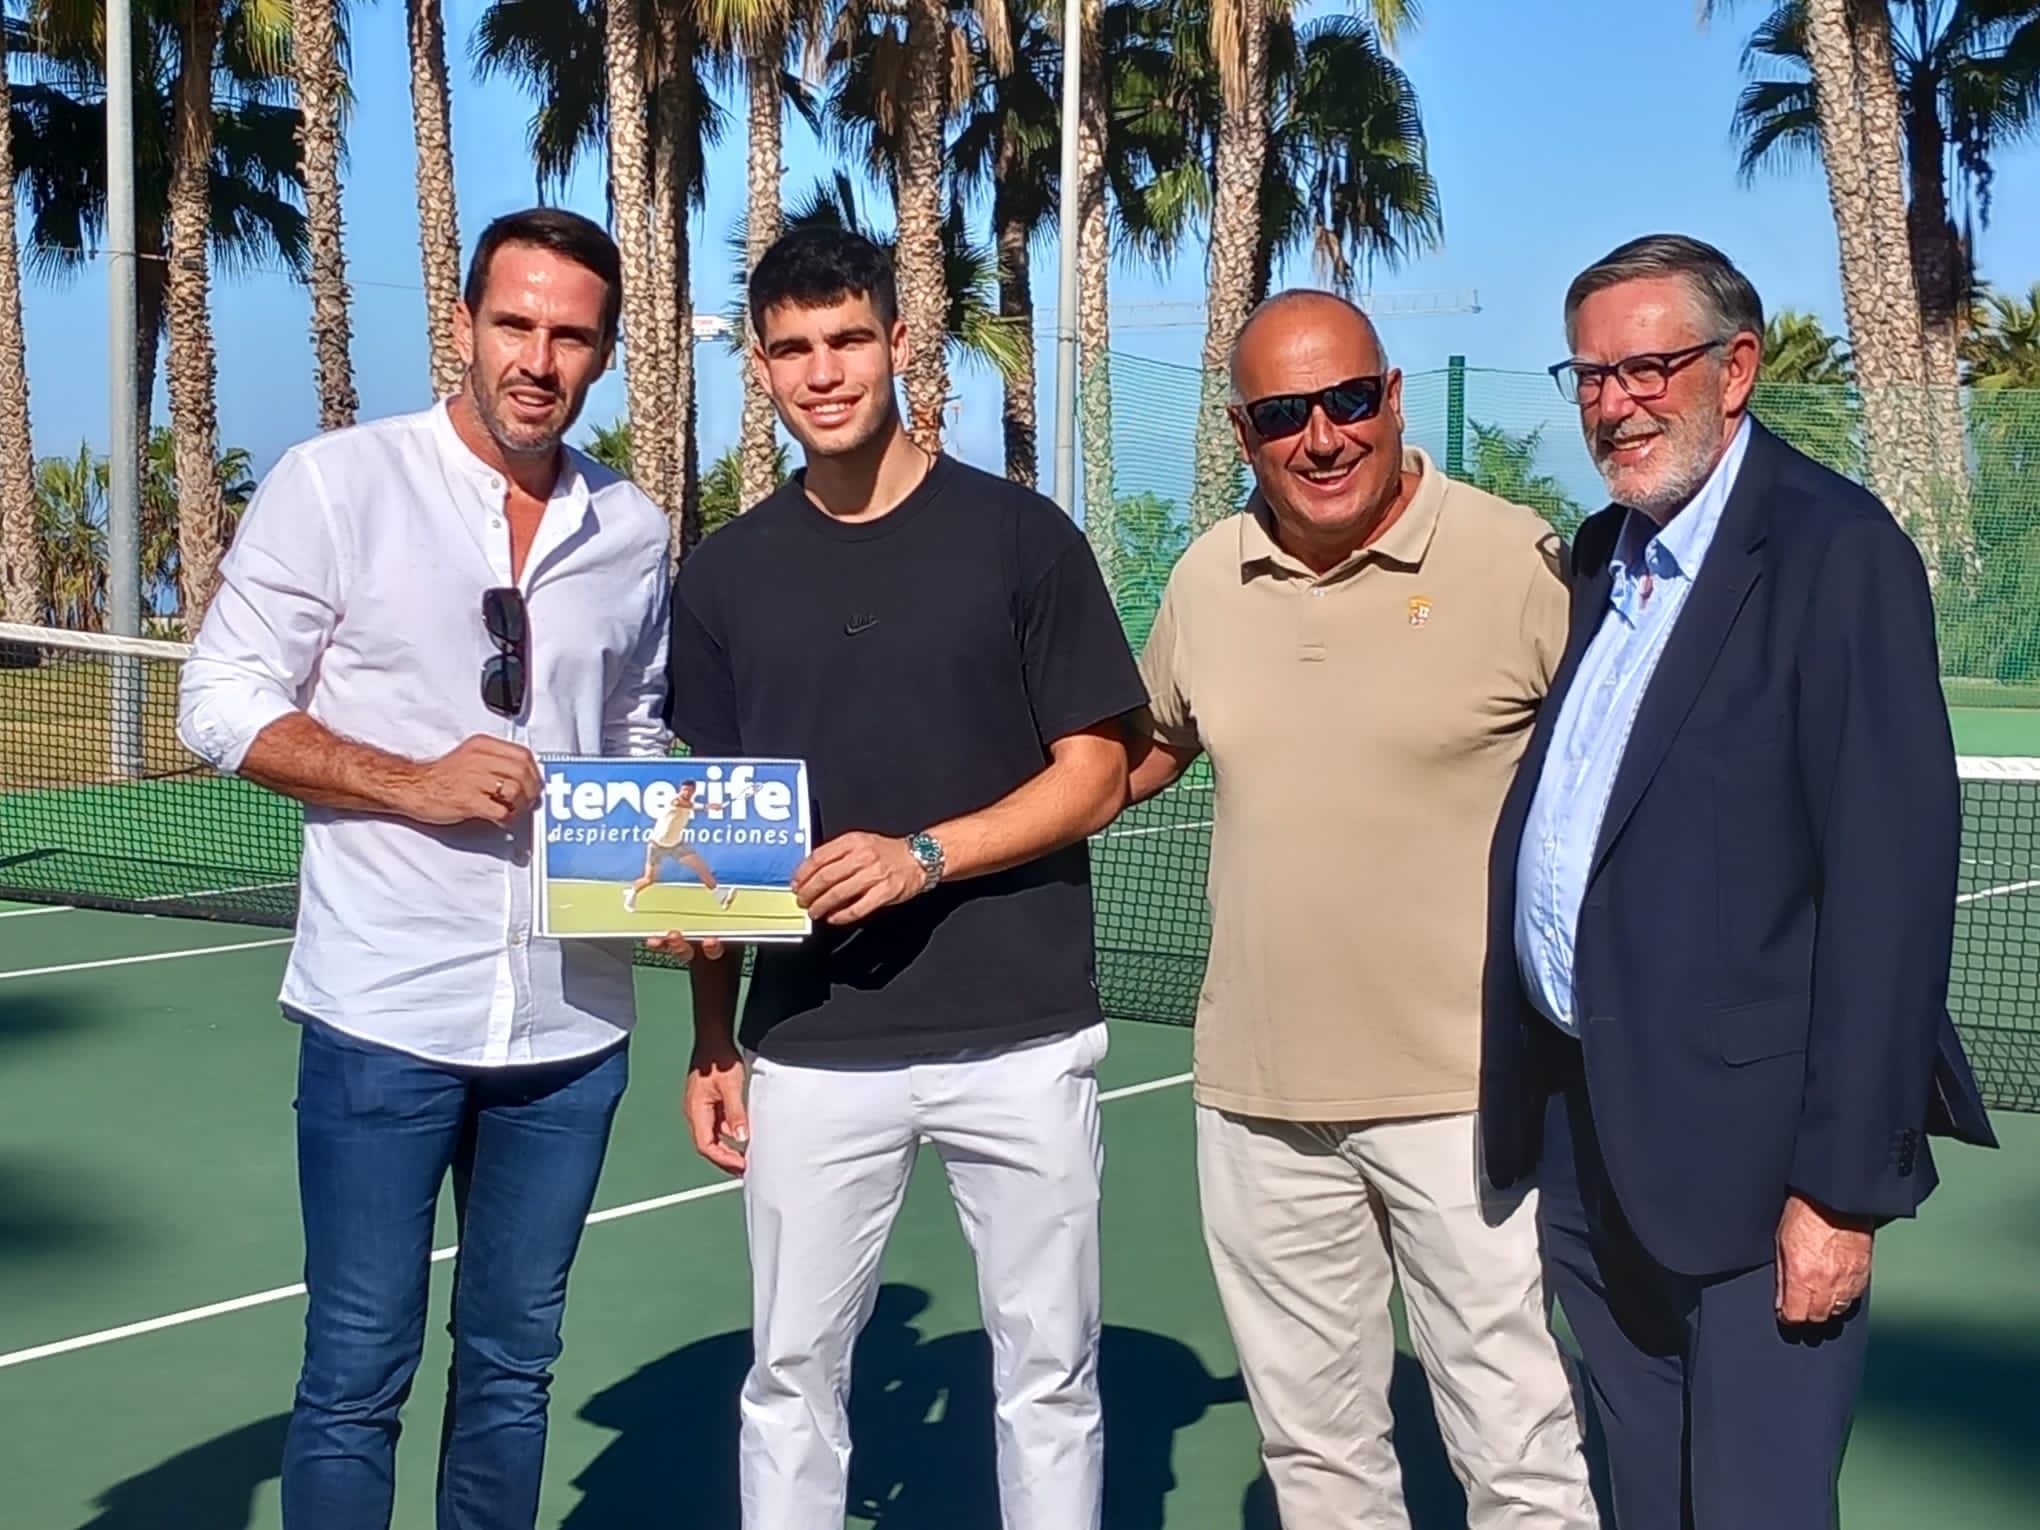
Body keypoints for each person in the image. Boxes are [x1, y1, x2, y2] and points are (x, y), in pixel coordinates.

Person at [177, 207, 683, 1529]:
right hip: (381, 1018)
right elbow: (219, 701)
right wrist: (409, 780)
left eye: (571, 334)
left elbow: (629, 733)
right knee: (355, 1375)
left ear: (605, 352)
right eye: (514, 323)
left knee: (514, 1370)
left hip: (572, 1029)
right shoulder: (339, 483)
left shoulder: (631, 528)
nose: (538, 356)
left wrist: (670, 888)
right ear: (463, 326)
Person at [1483, 233, 1999, 1529]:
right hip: (1598, 1147)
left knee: (1758, 1506)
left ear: (1740, 366)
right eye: (1590, 374)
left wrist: (1840, 1190)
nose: (1616, 402)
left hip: (1763, 1177)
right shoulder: (1608, 552)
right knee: (1649, 1498)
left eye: (1648, 365)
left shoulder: (1836, 552)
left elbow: (1890, 890)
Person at [658, 225, 1145, 1530]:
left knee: (1048, 1375)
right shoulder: (720, 575)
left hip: (1023, 1035)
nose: (824, 371)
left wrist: (922, 856)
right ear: (761, 367)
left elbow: (1096, 771)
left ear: (898, 345)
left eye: (848, 339)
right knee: (791, 1374)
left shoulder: (1022, 539)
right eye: (794, 349)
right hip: (811, 1048)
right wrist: (713, 1034)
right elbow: (703, 823)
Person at [1124, 288, 1599, 1528]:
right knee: (1319, 1460)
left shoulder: (1516, 558)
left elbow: (1629, 766)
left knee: (1518, 1448)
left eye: (1346, 402)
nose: (1321, 438)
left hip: (1469, 1100)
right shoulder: (1206, 578)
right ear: (1244, 433)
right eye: (1284, 414)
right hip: (1257, 1106)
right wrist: (923, 833)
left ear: (1391, 402)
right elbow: (1132, 755)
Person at [625, 777, 745, 912]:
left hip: (677, 845)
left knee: (702, 869)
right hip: (657, 845)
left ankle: (721, 896)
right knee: (649, 879)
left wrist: (710, 807)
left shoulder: (689, 804)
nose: (686, 793)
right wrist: (707, 806)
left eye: (689, 790)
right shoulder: (675, 801)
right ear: (680, 790)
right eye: (684, 790)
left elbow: (690, 805)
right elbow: (682, 804)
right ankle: (632, 892)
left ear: (694, 791)